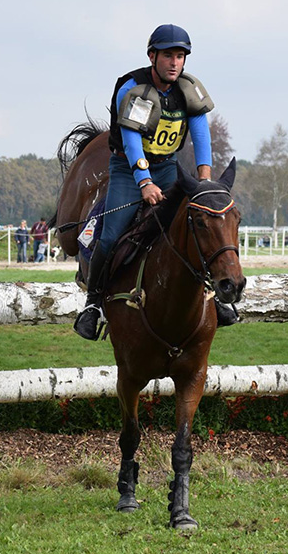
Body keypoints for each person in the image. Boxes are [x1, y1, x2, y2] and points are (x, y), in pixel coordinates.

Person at [74, 24, 234, 340]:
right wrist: (144, 182)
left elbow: (201, 134)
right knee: (111, 235)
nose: (175, 62)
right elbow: (132, 140)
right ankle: (92, 305)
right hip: (127, 170)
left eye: (180, 56)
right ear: (152, 56)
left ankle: (214, 297)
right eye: (168, 56)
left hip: (169, 168)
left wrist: (204, 176)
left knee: (194, 226)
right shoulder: (132, 89)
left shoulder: (189, 90)